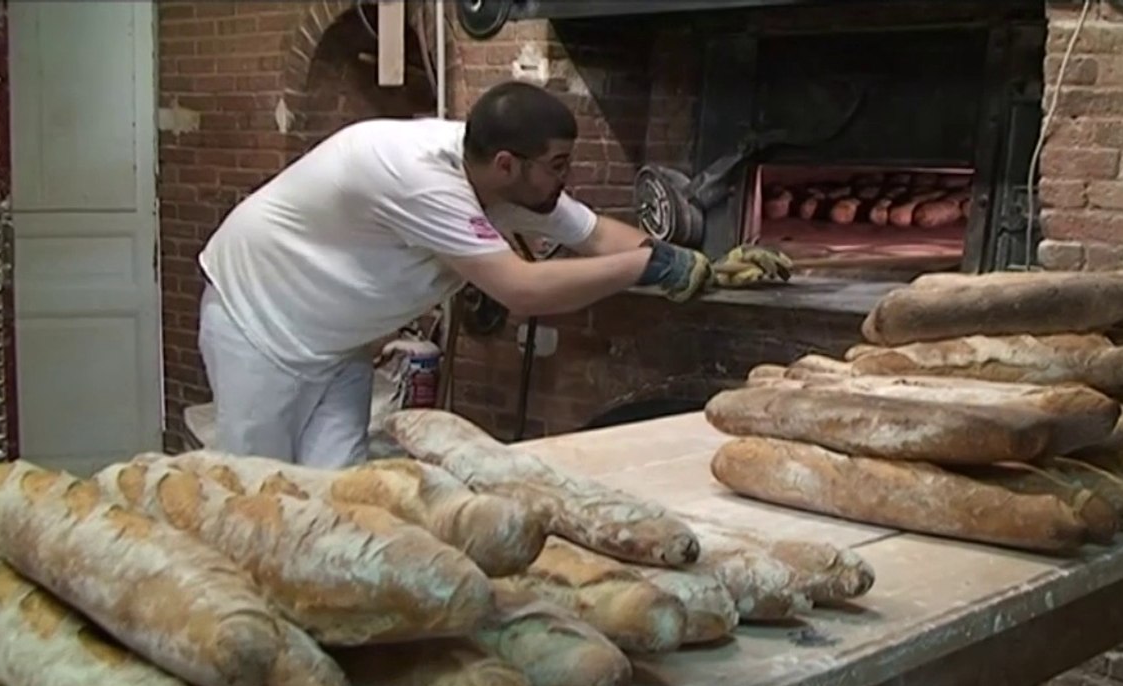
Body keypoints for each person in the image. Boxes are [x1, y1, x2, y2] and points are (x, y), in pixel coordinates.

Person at [196, 80, 788, 469]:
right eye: (558, 165)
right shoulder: (423, 180)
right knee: (258, 490)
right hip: (259, 323)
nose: (564, 180)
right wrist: (649, 266)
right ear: (508, 163)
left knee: (337, 491)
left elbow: (596, 236)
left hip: (337, 346)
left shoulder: (507, 178)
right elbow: (520, 289)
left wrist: (703, 266)